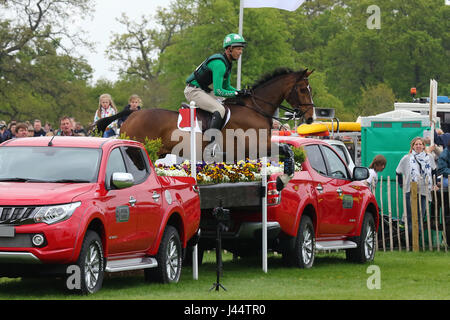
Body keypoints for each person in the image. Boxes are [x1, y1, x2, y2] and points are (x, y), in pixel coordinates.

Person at [184, 33, 249, 148]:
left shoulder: (227, 63)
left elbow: (227, 87)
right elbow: (219, 91)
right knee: (219, 109)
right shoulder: (219, 64)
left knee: (231, 103)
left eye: (241, 49)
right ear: (229, 49)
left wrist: (240, 93)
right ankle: (211, 144)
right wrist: (236, 93)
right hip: (193, 91)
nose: (241, 52)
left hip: (203, 90)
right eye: (238, 49)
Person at [396, 137, 436, 237]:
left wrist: (435, 184)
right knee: (410, 216)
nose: (418, 146)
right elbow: (398, 172)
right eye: (416, 144)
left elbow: (434, 171)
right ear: (412, 146)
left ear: (423, 146)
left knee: (421, 215)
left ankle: (417, 239)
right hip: (410, 189)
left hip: (424, 189)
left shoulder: (429, 157)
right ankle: (411, 241)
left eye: (420, 144)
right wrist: (402, 186)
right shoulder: (407, 158)